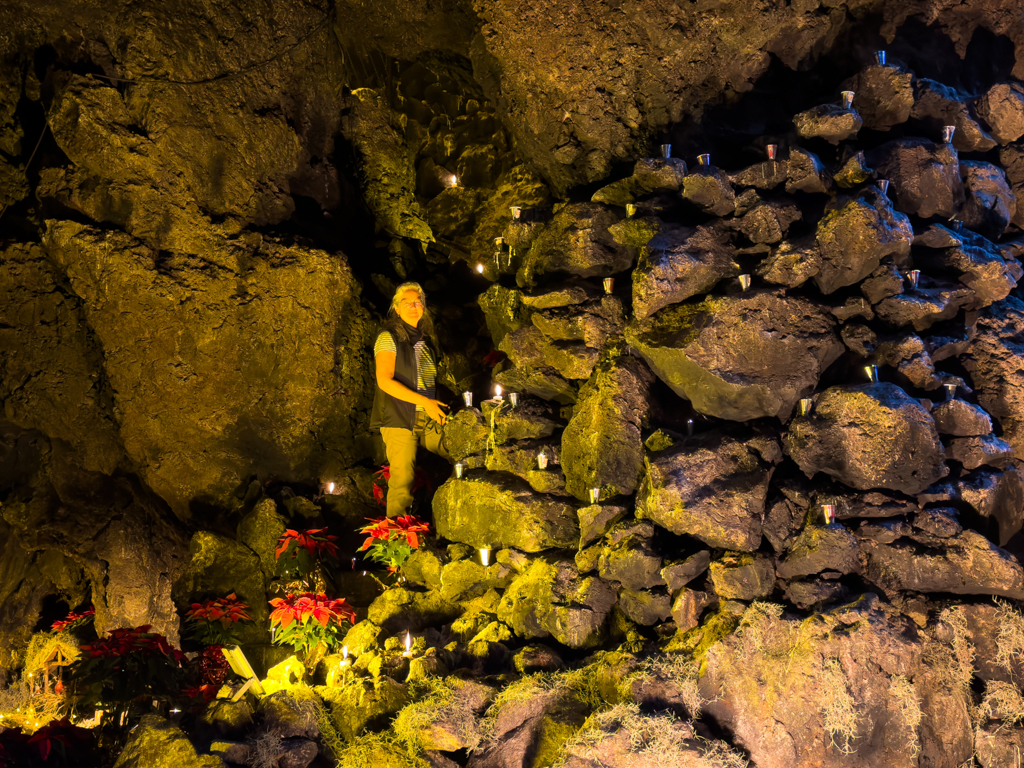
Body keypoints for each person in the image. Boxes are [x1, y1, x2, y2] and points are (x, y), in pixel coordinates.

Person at [370, 282, 450, 518]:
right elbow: (384, 381)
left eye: (417, 302)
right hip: (398, 416)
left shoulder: (427, 342)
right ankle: (397, 540)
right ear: (396, 309)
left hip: (427, 415)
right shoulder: (388, 337)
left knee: (459, 446)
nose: (413, 307)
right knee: (403, 478)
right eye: (407, 303)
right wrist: (425, 402)